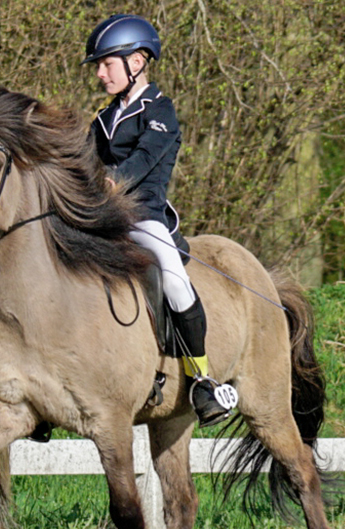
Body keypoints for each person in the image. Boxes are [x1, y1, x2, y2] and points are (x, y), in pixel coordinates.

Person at [83, 14, 238, 427]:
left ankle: (201, 377)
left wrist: (110, 182)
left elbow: (144, 160)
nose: (100, 73)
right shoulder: (101, 120)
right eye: (99, 66)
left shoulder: (161, 110)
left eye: (107, 64)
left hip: (143, 216)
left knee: (170, 272)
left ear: (136, 61)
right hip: (102, 218)